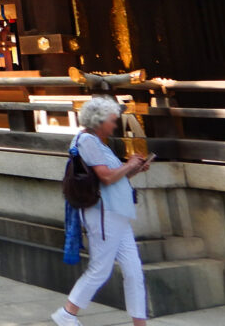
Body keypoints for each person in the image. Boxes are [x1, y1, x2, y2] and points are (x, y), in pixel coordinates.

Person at [52, 96, 153, 326]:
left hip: (117, 212)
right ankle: (67, 313)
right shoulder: (87, 141)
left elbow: (115, 177)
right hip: (104, 212)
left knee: (134, 270)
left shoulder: (98, 143)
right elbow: (106, 177)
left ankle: (140, 323)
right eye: (111, 120)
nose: (114, 125)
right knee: (101, 268)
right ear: (99, 120)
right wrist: (129, 165)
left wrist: (134, 168)